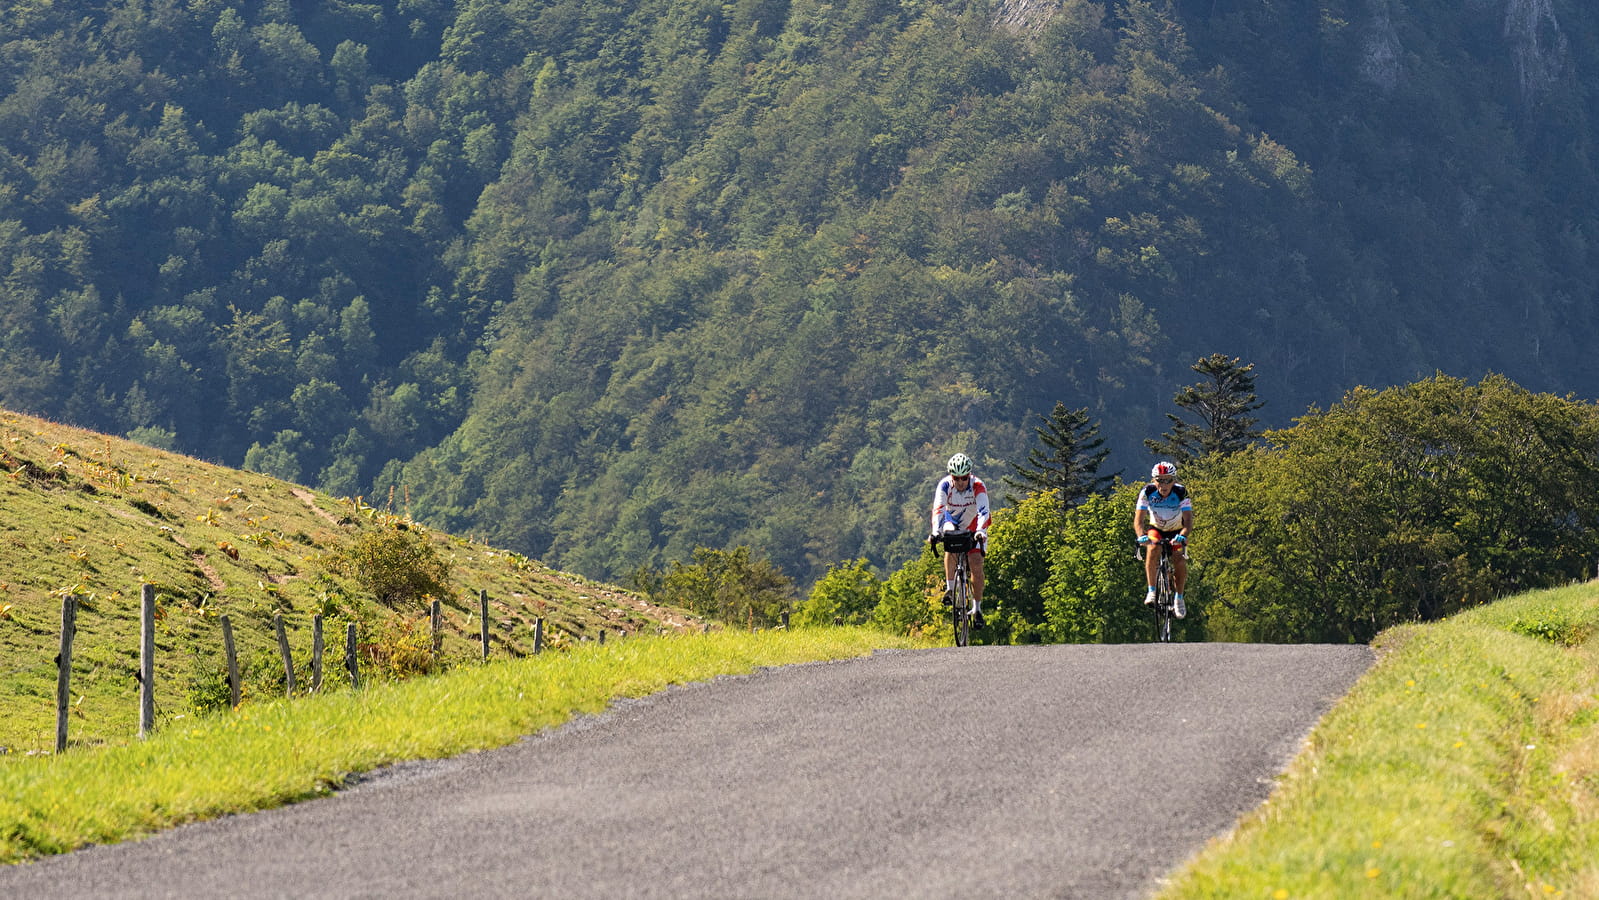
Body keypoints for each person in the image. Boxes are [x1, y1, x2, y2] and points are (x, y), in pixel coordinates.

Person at [929, 453, 991, 628]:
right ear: (952, 476)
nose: (962, 482)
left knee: (976, 563)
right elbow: (938, 509)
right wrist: (935, 532)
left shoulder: (977, 485)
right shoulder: (945, 485)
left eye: (965, 477)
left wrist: (980, 531)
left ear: (969, 475)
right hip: (952, 521)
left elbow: (984, 511)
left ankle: (977, 609)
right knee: (949, 542)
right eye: (957, 478)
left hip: (973, 525)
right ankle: (950, 589)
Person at [1134, 460, 1192, 618]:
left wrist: (1183, 536)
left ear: (1174, 480)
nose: (1163, 484)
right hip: (1156, 529)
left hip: (1176, 531)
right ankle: (1152, 591)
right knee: (1152, 548)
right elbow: (1138, 521)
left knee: (1178, 560)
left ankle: (1179, 598)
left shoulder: (1181, 492)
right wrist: (1141, 536)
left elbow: (1188, 521)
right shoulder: (1147, 492)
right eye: (1159, 480)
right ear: (1154, 480)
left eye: (1168, 480)